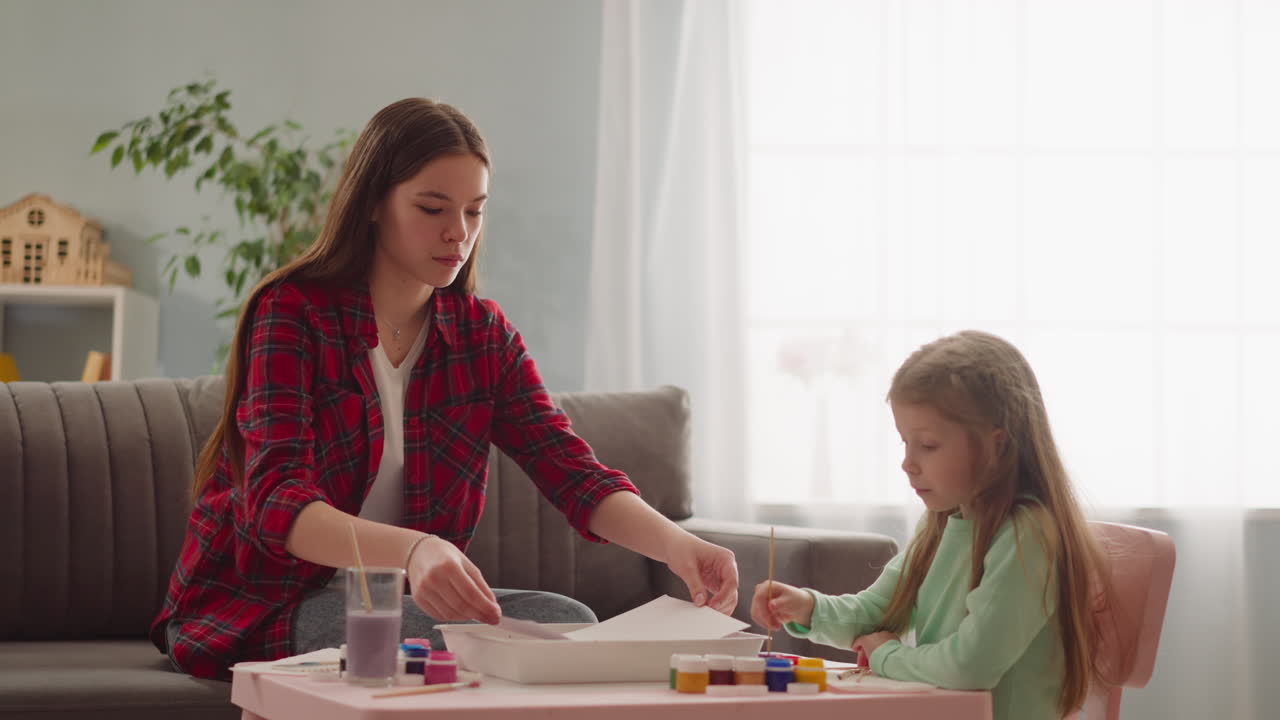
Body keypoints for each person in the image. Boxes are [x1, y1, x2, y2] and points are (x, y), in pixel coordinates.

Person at [152, 98, 739, 679]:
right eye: (433, 207)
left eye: (475, 211)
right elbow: (279, 506)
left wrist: (675, 545)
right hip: (266, 601)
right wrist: (415, 548)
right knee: (457, 642)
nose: (458, 232)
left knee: (567, 621)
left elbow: (571, 471)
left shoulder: (481, 335)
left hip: (404, 605)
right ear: (374, 204)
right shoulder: (293, 312)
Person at [751, 331, 1113, 719]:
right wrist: (806, 607)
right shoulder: (944, 522)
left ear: (997, 447)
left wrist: (886, 655)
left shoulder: (1027, 535)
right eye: (904, 442)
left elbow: (970, 667)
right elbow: (878, 611)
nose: (908, 463)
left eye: (927, 445)